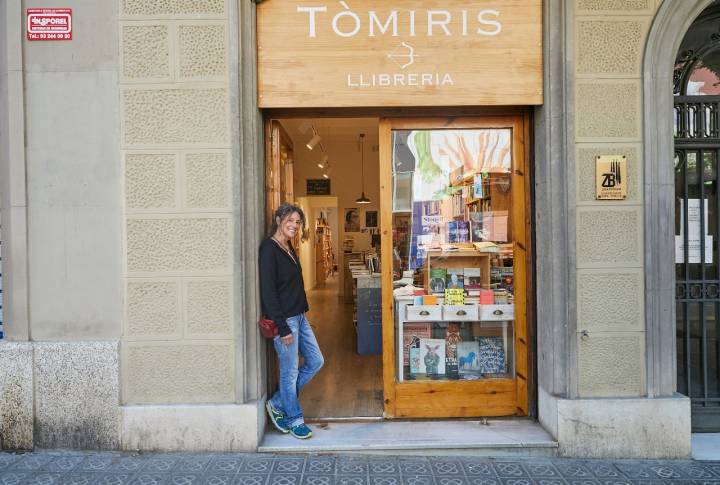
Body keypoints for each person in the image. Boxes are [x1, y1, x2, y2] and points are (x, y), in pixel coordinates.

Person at [259, 203, 324, 440]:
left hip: (300, 317)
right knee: (289, 372)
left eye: (298, 222)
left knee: (316, 360)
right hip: (285, 320)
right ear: (278, 219)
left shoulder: (288, 247)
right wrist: (283, 327)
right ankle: (295, 419)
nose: (295, 225)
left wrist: (302, 316)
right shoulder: (269, 249)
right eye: (290, 220)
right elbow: (269, 293)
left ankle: (277, 402)